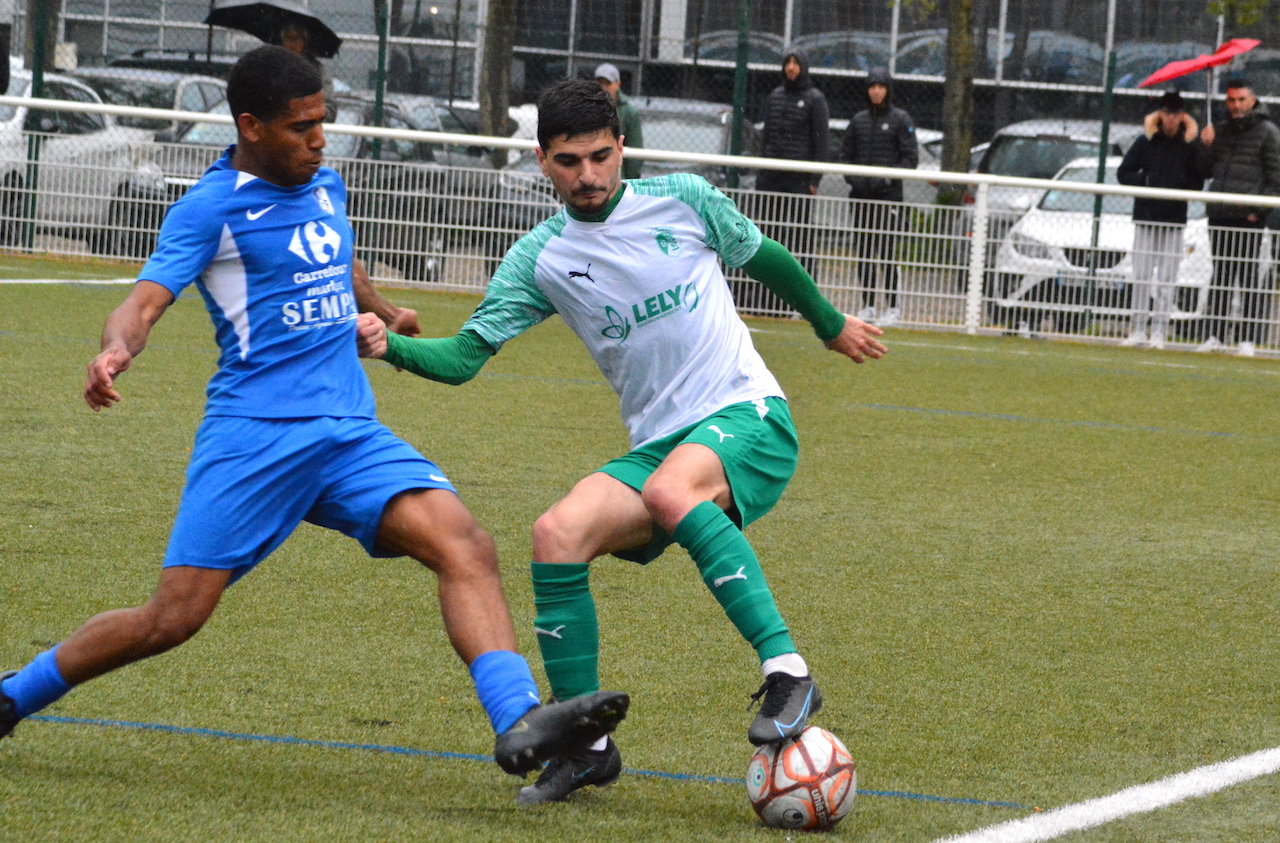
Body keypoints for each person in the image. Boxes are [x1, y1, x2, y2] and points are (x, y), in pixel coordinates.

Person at [0, 47, 629, 784]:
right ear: (251, 127)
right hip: (255, 441)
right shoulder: (211, 208)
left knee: (465, 542)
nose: (320, 139)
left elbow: (339, 261)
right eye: (301, 127)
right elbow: (143, 301)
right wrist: (114, 352)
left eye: (323, 122)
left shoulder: (325, 183)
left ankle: (518, 717)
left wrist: (387, 310)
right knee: (170, 619)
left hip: (348, 435)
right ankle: (13, 695)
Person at [355, 78, 886, 804]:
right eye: (570, 161)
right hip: (664, 445)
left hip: (747, 413)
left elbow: (770, 261)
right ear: (542, 161)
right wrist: (391, 349)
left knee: (672, 489)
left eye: (602, 157)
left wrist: (830, 325)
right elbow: (465, 358)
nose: (590, 176)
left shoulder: (685, 200)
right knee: (556, 531)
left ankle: (788, 670)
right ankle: (587, 746)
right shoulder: (539, 259)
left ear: (622, 148)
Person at [1116, 90, 1207, 350]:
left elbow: (1196, 181)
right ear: (1159, 115)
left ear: (1182, 117)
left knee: (1168, 279)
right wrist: (1146, 181)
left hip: (1173, 219)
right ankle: (1137, 329)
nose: (1170, 119)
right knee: (1142, 276)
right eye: (1166, 113)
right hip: (1146, 217)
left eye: (1176, 114)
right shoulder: (1145, 142)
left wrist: (1177, 184)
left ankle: (1159, 331)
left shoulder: (1189, 146)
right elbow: (1124, 173)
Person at [1195, 77, 1280, 355]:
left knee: (1248, 275)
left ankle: (1248, 339)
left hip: (1248, 217)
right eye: (1231, 100)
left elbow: (1276, 177)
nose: (1236, 105)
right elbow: (1204, 171)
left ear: (1253, 100)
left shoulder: (1268, 132)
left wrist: (1258, 211)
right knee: (1220, 274)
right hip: (1220, 212)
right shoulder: (1218, 130)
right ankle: (1214, 335)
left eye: (1241, 99)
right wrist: (1204, 145)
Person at [841, 68, 918, 328]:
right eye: (872, 86)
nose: (876, 91)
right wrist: (854, 179)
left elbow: (910, 158)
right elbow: (845, 156)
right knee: (863, 250)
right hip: (860, 198)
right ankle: (868, 305)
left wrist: (887, 180)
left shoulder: (900, 119)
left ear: (888, 89)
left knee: (886, 251)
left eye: (881, 86)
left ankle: (894, 306)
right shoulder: (858, 121)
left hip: (888, 199)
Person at [754, 50, 830, 283]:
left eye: (796, 63)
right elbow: (765, 137)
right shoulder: (774, 96)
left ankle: (806, 295)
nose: (791, 67)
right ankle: (768, 298)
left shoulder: (815, 99)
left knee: (801, 236)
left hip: (799, 180)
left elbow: (821, 143)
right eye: (788, 62)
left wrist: (814, 180)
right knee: (770, 235)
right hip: (771, 178)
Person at [593, 63, 644, 180]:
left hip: (619, 177)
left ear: (618, 84)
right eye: (600, 83)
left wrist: (631, 181)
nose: (604, 87)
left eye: (608, 83)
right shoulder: (586, 107)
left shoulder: (629, 112)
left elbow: (635, 149)